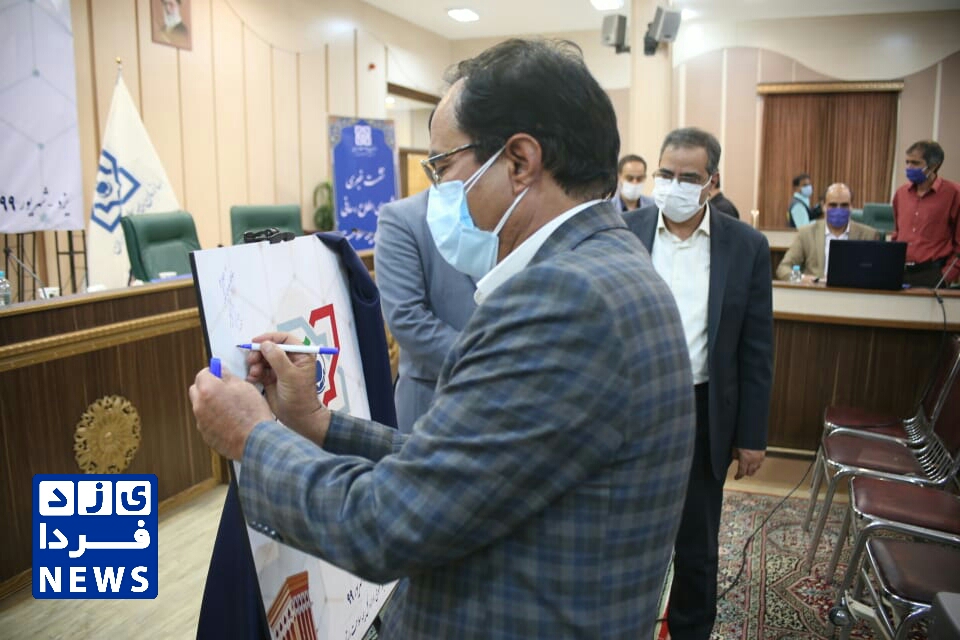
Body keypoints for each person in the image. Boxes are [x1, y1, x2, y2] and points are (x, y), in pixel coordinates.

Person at [190, 38, 696, 639]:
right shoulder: (612, 265)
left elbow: (386, 524)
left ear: (519, 162)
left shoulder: (560, 299)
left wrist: (252, 438)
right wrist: (319, 424)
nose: (438, 193)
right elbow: (465, 470)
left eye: (443, 167)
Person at [623, 127, 773, 640]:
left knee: (696, 544)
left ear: (712, 182)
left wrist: (751, 435)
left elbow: (756, 348)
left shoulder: (746, 246)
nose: (674, 185)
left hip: (702, 410)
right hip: (631, 406)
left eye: (689, 177)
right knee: (626, 533)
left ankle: (690, 631)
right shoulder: (624, 231)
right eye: (666, 174)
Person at [374, 191, 478, 433]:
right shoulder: (403, 218)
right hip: (435, 401)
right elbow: (407, 319)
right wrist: (490, 359)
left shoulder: (520, 211)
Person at [776, 182, 882, 282]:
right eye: (833, 205)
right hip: (817, 292)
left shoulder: (869, 235)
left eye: (844, 205)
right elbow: (783, 269)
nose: (838, 210)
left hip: (853, 292)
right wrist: (802, 279)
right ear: (824, 206)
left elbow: (877, 274)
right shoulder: (806, 233)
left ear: (851, 207)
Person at [892, 140, 960, 287]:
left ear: (934, 166)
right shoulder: (901, 194)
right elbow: (897, 233)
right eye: (907, 162)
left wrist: (947, 276)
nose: (909, 167)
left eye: (915, 163)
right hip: (900, 272)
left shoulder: (954, 194)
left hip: (933, 274)